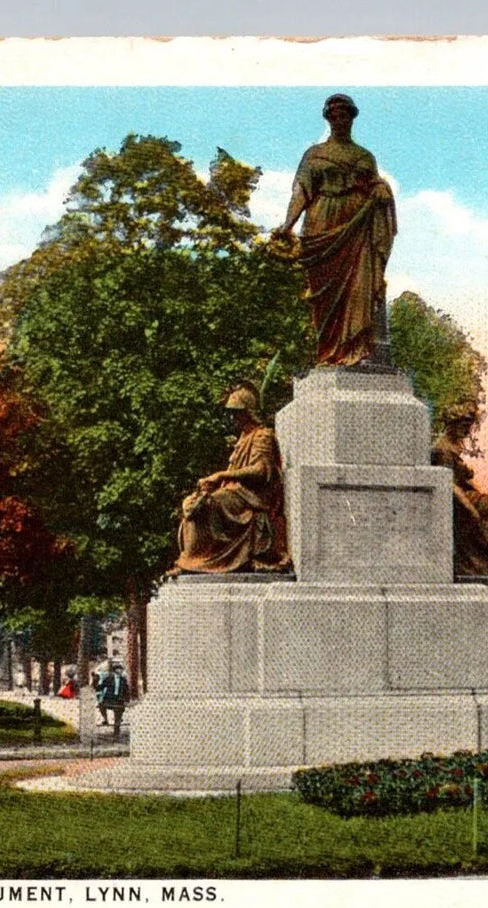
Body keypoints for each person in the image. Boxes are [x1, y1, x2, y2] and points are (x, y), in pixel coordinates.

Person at [274, 93, 397, 367]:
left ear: (352, 118)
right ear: (328, 119)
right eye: (335, 115)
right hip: (322, 223)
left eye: (346, 115)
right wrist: (287, 224)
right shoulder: (314, 154)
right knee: (323, 296)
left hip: (358, 225)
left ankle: (356, 350)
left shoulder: (364, 156)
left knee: (358, 290)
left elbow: (374, 186)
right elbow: (301, 191)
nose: (341, 120)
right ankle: (329, 353)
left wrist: (380, 188)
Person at [171, 384, 292, 575]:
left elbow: (261, 470)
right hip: (234, 493)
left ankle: (205, 560)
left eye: (237, 413)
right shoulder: (242, 439)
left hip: (251, 496)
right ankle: (195, 559)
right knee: (194, 503)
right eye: (232, 413)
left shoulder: (263, 435)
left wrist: (221, 475)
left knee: (211, 504)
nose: (234, 418)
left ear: (248, 412)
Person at [430, 402, 488, 576]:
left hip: (469, 495)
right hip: (459, 501)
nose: (467, 431)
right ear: (452, 424)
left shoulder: (453, 445)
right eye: (464, 426)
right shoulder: (442, 449)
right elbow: (449, 485)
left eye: (469, 426)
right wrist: (470, 508)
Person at [96, 661, 129, 739]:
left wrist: (126, 700)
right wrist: (95, 687)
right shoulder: (109, 678)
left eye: (121, 669)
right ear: (115, 670)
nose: (120, 671)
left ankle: (116, 732)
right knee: (101, 705)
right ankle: (105, 719)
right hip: (109, 699)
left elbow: (126, 690)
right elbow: (102, 686)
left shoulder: (123, 680)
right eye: (119, 669)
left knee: (118, 714)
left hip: (119, 699)